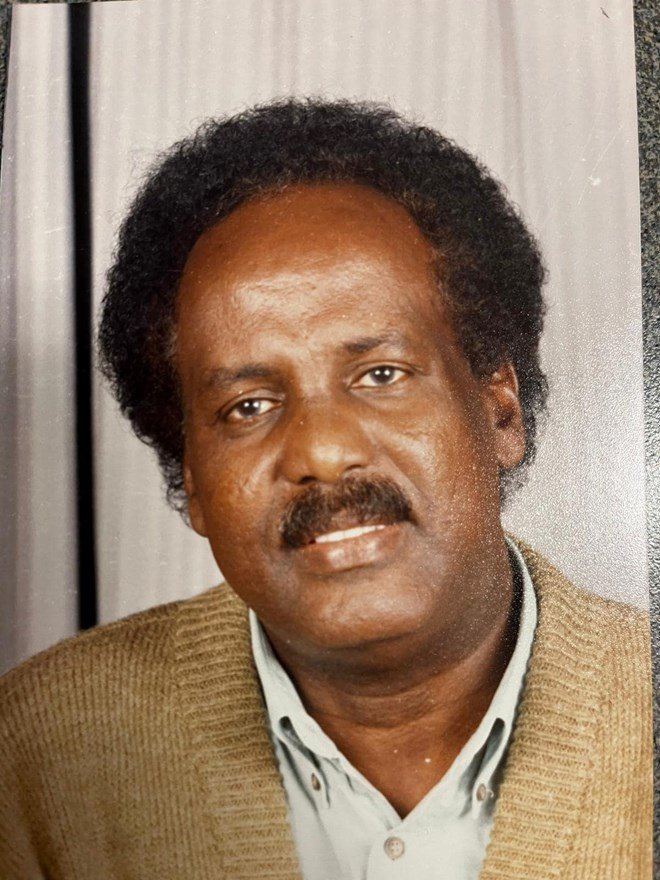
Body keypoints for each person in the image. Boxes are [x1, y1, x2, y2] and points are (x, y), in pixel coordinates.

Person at [0, 99, 651, 880]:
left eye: (381, 374)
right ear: (191, 482)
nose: (322, 451)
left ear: (499, 412)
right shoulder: (38, 749)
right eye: (248, 407)